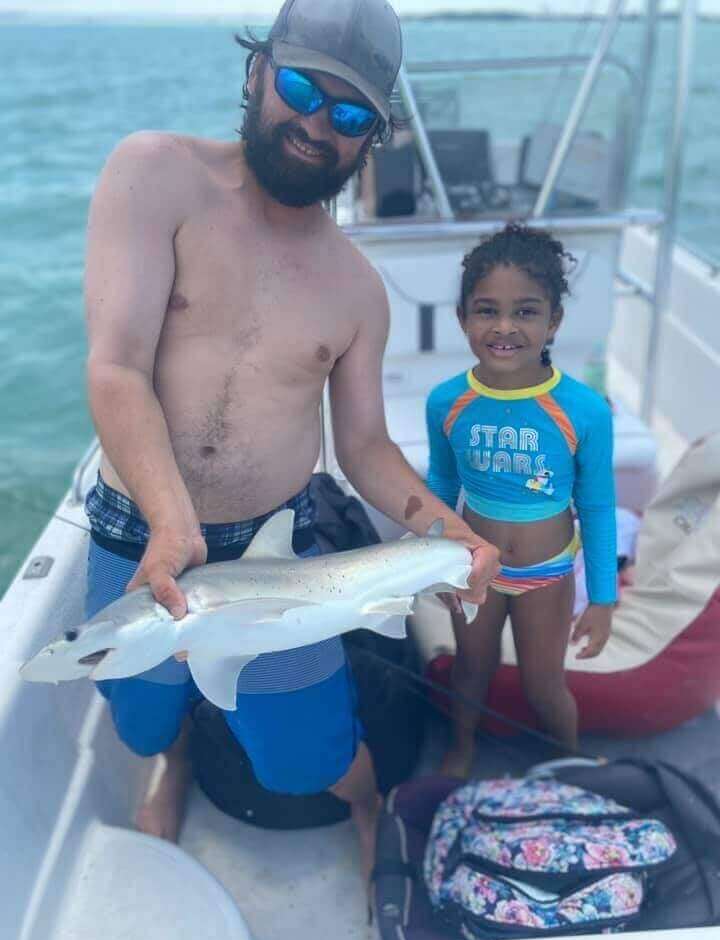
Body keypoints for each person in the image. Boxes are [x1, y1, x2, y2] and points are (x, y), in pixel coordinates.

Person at [82, 0, 500, 879]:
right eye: (302, 88)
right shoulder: (154, 174)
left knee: (305, 760)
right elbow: (117, 367)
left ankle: (363, 804)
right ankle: (179, 756)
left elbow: (364, 451)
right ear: (255, 72)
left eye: (349, 115)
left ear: (371, 139)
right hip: (137, 530)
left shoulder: (356, 287)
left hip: (272, 556)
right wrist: (169, 522)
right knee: (140, 716)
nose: (317, 125)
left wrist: (444, 531)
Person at [426, 223, 617, 778]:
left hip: (548, 573)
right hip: (473, 570)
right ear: (462, 317)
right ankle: (460, 749)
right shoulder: (447, 402)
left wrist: (602, 598)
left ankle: (567, 764)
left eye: (526, 311)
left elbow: (599, 508)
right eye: (486, 310)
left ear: (554, 321)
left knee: (543, 684)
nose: (504, 327)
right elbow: (441, 487)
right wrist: (436, 562)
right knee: (470, 669)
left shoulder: (584, 410)